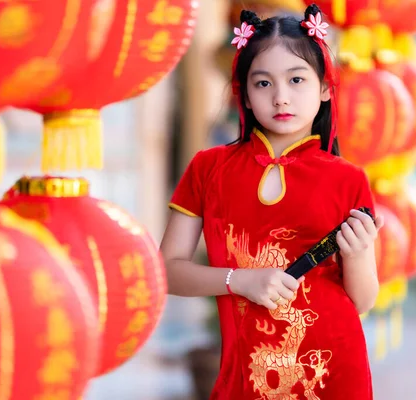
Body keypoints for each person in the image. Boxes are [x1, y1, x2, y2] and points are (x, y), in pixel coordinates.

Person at [160, 4, 384, 399]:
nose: (281, 97)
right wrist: (239, 280)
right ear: (243, 94)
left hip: (333, 374)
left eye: (297, 80)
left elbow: (362, 300)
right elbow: (167, 272)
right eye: (263, 83)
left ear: (326, 88)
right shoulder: (208, 168)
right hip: (244, 377)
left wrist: (360, 252)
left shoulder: (347, 178)